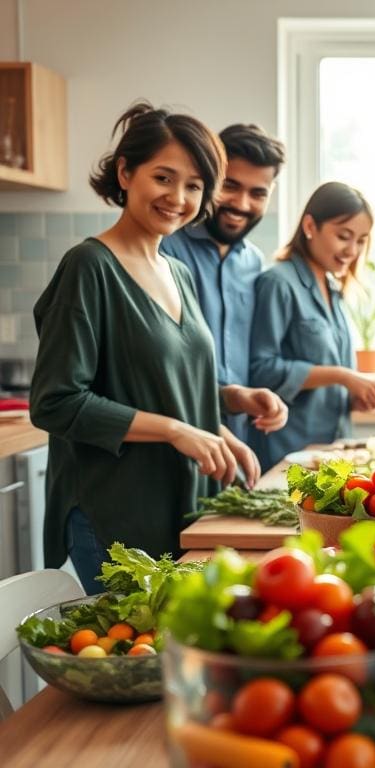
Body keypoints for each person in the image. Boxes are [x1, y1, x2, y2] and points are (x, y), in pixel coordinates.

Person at [30, 102, 279, 593]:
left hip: (181, 503)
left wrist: (222, 412)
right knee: (133, 664)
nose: (178, 197)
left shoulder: (178, 272)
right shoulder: (89, 266)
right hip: (114, 512)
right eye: (163, 178)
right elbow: (56, 402)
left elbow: (166, 378)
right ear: (125, 172)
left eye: (193, 185)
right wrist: (176, 430)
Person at [249, 182, 375, 469]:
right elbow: (260, 369)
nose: (352, 250)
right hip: (287, 455)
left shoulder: (333, 289)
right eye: (343, 236)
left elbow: (320, 382)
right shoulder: (278, 283)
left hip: (332, 452)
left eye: (361, 240)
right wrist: (343, 376)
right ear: (310, 226)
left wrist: (351, 398)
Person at [161, 123, 288, 442]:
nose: (242, 204)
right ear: (208, 179)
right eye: (230, 186)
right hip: (178, 431)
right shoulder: (166, 248)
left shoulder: (254, 262)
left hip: (238, 438)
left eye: (258, 193)